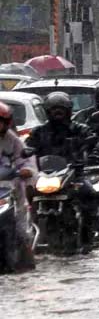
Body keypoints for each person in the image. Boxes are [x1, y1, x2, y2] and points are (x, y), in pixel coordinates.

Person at [26, 91, 97, 247]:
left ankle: (87, 239)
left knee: (89, 194)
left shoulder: (80, 129)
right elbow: (27, 148)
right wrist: (24, 155)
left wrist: (90, 149)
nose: (57, 113)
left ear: (68, 111)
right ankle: (24, 235)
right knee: (22, 197)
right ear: (47, 111)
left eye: (61, 109)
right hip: (44, 176)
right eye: (54, 109)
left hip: (73, 175)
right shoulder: (38, 132)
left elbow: (92, 142)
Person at [0, 102, 36, 269]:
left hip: (10, 189)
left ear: (7, 122)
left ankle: (26, 260)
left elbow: (27, 162)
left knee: (21, 228)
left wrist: (26, 170)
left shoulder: (14, 141)